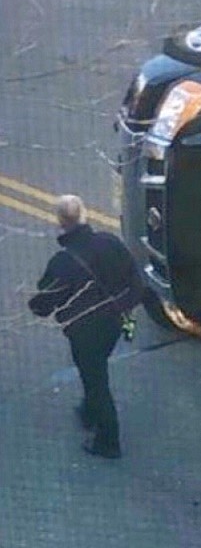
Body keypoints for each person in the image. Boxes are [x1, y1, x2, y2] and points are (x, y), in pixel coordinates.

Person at [28, 195, 143, 458]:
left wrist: (35, 304)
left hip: (84, 331)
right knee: (96, 368)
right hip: (116, 322)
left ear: (61, 222)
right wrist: (125, 306)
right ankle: (89, 410)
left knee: (95, 380)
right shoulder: (111, 242)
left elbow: (44, 303)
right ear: (84, 215)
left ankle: (108, 440)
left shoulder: (63, 263)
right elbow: (135, 278)